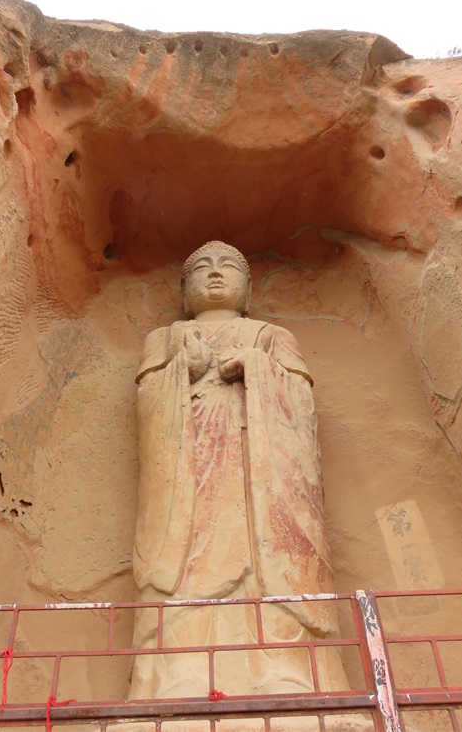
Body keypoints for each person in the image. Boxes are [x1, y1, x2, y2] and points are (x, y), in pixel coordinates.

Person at [129, 241, 348, 703]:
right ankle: (183, 672)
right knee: (189, 572)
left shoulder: (271, 335)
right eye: (202, 269)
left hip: (266, 478)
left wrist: (257, 367)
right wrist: (182, 371)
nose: (214, 274)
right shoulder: (164, 339)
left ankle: (285, 669)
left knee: (273, 565)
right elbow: (148, 409)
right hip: (189, 478)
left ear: (248, 289)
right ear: (184, 292)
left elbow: (302, 406)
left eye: (227, 267)